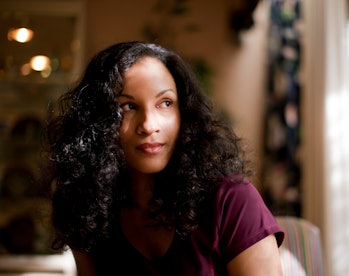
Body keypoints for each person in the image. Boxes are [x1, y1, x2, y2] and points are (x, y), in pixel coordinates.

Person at [42, 41, 284, 275]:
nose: (148, 125)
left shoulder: (232, 200)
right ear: (97, 122)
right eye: (128, 107)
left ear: (184, 114)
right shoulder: (85, 207)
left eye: (165, 103)